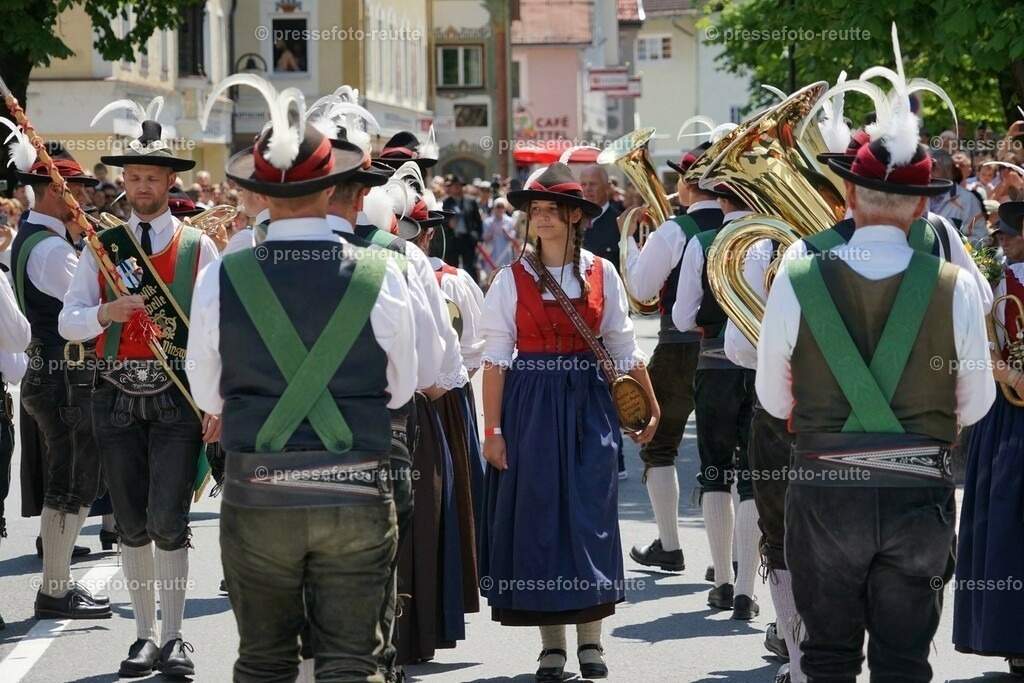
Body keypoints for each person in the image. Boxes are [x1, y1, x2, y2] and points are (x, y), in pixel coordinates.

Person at [187, 94, 416, 682]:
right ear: (333, 184)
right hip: (358, 489)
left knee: (264, 663)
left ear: (261, 194)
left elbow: (208, 395)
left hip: (258, 491)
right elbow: (401, 388)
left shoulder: (222, 274)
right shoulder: (382, 273)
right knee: (350, 663)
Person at [757, 121, 995, 681]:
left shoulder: (796, 275)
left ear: (847, 196)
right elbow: (978, 404)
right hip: (918, 493)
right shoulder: (955, 284)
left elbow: (771, 397)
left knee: (828, 660)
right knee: (904, 664)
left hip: (823, 499)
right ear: (920, 211)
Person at [479, 162, 658, 682]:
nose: (543, 220)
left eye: (553, 211)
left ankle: (592, 642)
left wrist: (649, 404)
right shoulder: (509, 280)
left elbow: (624, 347)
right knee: (539, 519)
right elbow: (495, 358)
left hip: (588, 403)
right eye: (536, 211)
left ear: (576, 217)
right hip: (530, 404)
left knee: (590, 515)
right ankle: (551, 646)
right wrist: (493, 431)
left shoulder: (603, 273)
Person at [59, 106, 220, 677]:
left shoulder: (200, 248)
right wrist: (106, 310)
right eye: (133, 177)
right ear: (122, 182)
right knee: (129, 522)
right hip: (114, 398)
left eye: (152, 177)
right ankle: (144, 636)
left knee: (168, 521)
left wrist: (216, 403)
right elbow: (68, 321)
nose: (142, 186)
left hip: (178, 399)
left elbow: (216, 330)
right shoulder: (104, 247)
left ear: (170, 182)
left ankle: (176, 637)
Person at [9, 142, 112, 620]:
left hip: (52, 371)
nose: (84, 200)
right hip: (65, 374)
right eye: (77, 190)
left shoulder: (34, 236)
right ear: (54, 190)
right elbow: (90, 308)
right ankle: (55, 589)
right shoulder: (51, 248)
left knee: (72, 480)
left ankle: (58, 584)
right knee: (72, 483)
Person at [623, 144, 723, 573]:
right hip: (734, 349)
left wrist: (629, 242)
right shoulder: (751, 224)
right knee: (731, 455)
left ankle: (670, 545)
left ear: (685, 183)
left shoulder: (674, 229)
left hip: (680, 346)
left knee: (659, 445)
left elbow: (643, 291)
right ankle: (731, 561)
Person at [953, 202, 1024, 677]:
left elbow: (973, 351)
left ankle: (1010, 633)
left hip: (1009, 410)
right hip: (1009, 405)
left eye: (1008, 234)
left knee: (1006, 518)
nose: (1001, 241)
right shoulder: (1000, 281)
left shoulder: (1000, 283)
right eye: (1000, 235)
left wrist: (1007, 372)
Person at [441, 174, 484, 284]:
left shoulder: (471, 201)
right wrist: (448, 224)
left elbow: (478, 221)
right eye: (454, 185)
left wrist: (477, 237)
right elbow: (442, 221)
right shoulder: (447, 202)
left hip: (467, 240)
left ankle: (473, 290)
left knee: (470, 268)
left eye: (459, 185)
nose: (457, 188)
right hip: (452, 240)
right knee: (451, 268)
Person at [482, 198, 519, 269]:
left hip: (505, 253)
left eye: (502, 207)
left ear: (505, 208)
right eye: (498, 206)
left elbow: (513, 239)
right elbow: (485, 238)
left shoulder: (510, 221)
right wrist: (491, 230)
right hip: (492, 252)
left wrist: (506, 233)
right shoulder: (488, 222)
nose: (500, 209)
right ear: (494, 208)